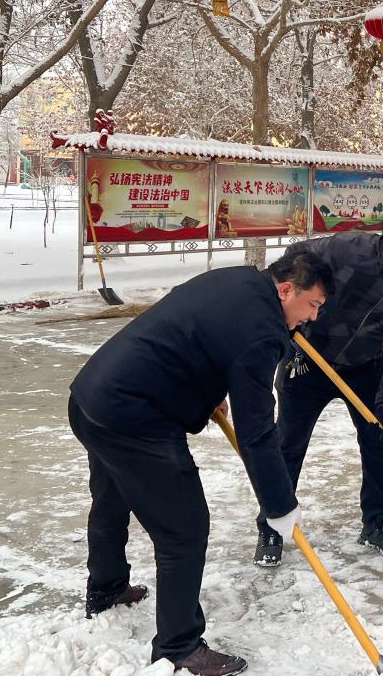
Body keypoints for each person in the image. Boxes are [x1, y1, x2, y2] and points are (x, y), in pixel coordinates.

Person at [68, 253, 331, 676]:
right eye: (313, 305)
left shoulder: (237, 280)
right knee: (184, 530)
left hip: (91, 396)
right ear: (287, 291)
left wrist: (207, 389)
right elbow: (258, 432)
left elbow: (196, 336)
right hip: (135, 419)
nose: (312, 318)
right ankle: (179, 647)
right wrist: (280, 505)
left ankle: (107, 588)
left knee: (113, 498)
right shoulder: (263, 332)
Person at [255, 230, 383, 566]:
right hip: (307, 360)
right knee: (288, 445)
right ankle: (271, 524)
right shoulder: (350, 252)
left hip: (363, 367)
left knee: (381, 440)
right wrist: (288, 321)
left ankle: (376, 523)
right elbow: (293, 261)